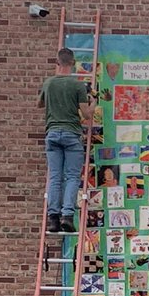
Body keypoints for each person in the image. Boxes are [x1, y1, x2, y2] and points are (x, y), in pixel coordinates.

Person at [38, 48, 93, 233]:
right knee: (71, 177)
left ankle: (53, 218)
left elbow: (39, 103)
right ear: (73, 62)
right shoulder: (77, 85)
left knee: (55, 177)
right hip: (71, 134)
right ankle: (67, 216)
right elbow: (86, 115)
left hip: (52, 134)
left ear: (57, 62)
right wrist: (93, 102)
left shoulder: (49, 83)